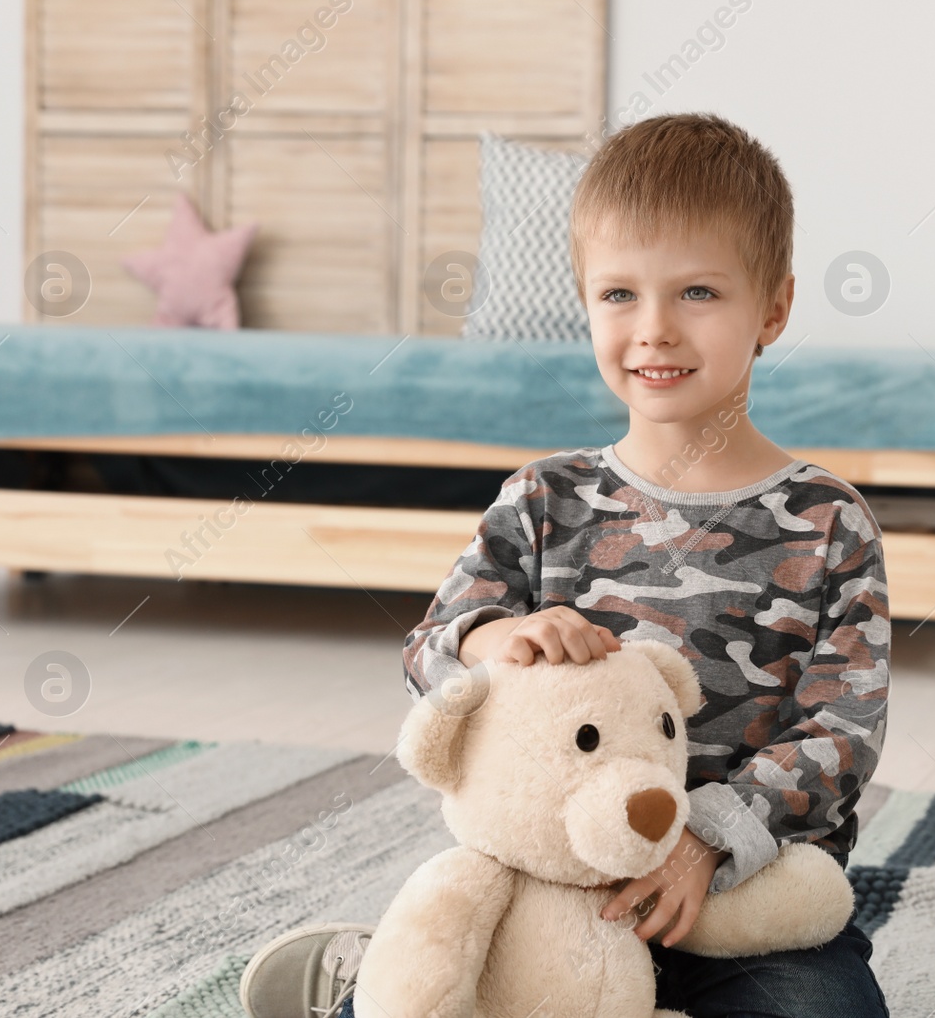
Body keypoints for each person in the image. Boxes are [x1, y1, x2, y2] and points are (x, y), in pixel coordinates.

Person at [240, 112, 891, 1018]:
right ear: (585, 302)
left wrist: (705, 838)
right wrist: (500, 637)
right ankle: (361, 975)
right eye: (619, 294)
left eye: (698, 293)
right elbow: (429, 648)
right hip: (547, 892)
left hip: (744, 891)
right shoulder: (544, 500)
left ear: (772, 309)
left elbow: (842, 731)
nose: (654, 328)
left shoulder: (829, 523)